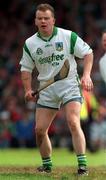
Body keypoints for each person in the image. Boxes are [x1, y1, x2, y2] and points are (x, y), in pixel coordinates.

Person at [19, 3, 93, 175]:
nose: (43, 21)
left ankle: (82, 166)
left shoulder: (67, 36)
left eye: (46, 18)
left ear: (53, 20)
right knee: (39, 130)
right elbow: (26, 70)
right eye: (40, 18)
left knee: (73, 122)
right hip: (46, 88)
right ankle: (47, 166)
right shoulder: (30, 44)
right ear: (35, 21)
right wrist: (28, 89)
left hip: (69, 85)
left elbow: (88, 53)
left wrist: (87, 75)